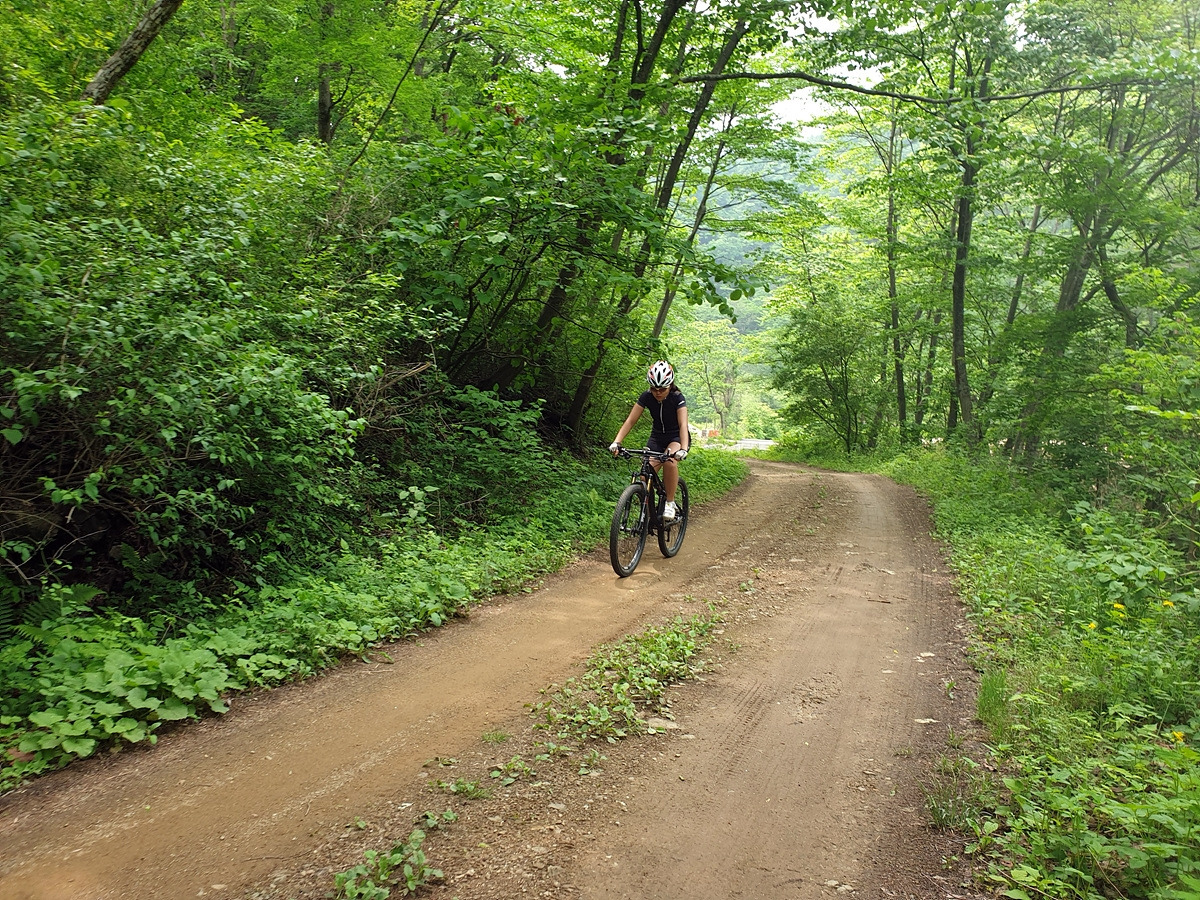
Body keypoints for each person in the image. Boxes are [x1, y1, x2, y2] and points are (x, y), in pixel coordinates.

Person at [609, 360, 690, 520]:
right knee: (644, 475)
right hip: (657, 437)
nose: (658, 393)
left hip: (676, 437)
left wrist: (683, 448)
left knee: (669, 461)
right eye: (654, 389)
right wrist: (617, 442)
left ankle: (670, 502)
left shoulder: (677, 397)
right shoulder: (646, 397)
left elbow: (683, 424)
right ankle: (649, 514)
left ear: (670, 385)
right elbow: (630, 421)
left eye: (662, 389)